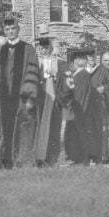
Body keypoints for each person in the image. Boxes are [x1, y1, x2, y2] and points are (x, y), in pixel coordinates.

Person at [0, 17, 40, 169]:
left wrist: (30, 97)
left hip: (21, 99)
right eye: (7, 29)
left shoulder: (28, 49)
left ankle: (23, 162)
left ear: (18, 29)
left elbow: (32, 73)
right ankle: (4, 161)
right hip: (3, 99)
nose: (10, 31)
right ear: (4, 31)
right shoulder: (0, 52)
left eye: (13, 28)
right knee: (3, 130)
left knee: (23, 129)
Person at [34, 37, 70, 166]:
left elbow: (68, 79)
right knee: (39, 129)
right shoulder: (36, 63)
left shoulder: (60, 63)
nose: (44, 50)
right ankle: (39, 158)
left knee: (54, 129)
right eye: (42, 48)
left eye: (47, 48)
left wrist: (56, 74)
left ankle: (53, 159)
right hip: (40, 100)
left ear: (50, 48)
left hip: (55, 100)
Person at [64, 49, 99, 165]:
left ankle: (84, 159)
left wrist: (79, 111)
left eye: (84, 58)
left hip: (80, 110)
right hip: (76, 109)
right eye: (79, 58)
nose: (83, 60)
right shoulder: (77, 74)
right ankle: (77, 158)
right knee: (75, 135)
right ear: (75, 60)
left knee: (81, 134)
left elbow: (83, 95)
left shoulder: (83, 75)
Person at [89, 51, 109, 163]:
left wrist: (104, 89)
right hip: (97, 106)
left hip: (108, 106)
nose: (107, 63)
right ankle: (101, 155)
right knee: (100, 131)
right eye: (105, 60)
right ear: (101, 61)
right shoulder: (97, 71)